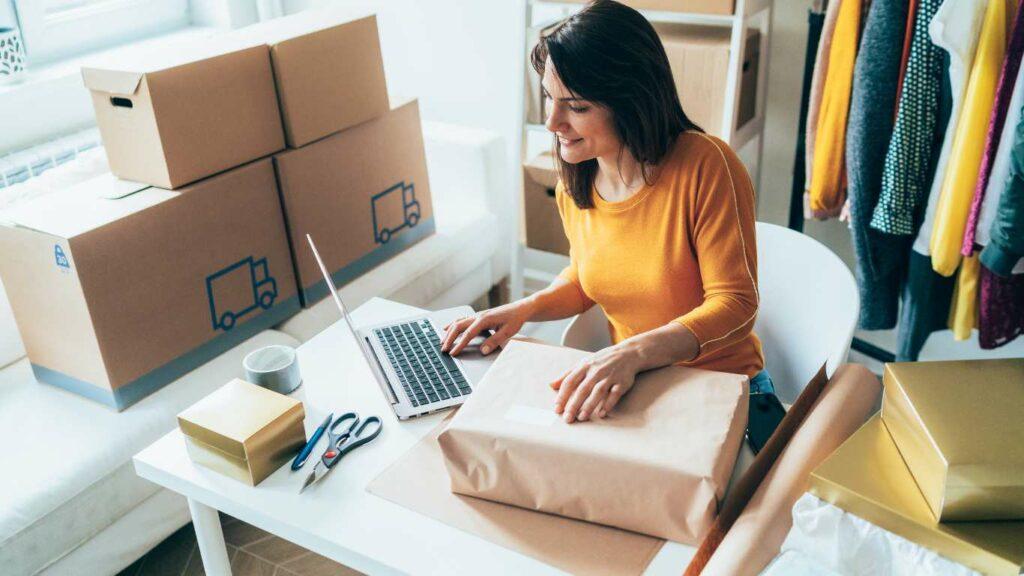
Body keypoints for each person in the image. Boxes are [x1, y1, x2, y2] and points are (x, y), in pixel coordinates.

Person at [442, 0, 768, 424]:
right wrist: (524, 310)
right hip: (639, 384)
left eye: (577, 107)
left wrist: (631, 353)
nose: (553, 121)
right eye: (549, 98)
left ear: (632, 102)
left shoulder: (706, 166)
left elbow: (736, 305)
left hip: (721, 389)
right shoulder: (574, 184)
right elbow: (587, 279)